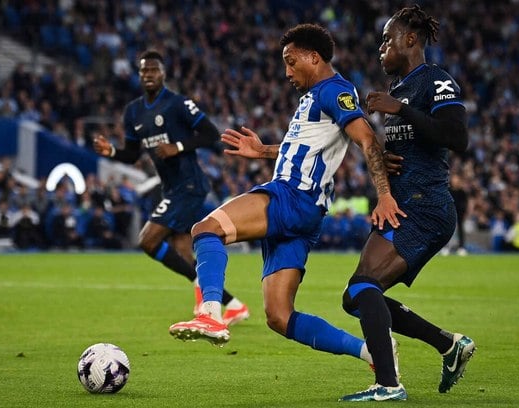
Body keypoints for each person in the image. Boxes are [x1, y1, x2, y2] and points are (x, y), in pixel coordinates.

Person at [169, 24, 404, 374]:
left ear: (313, 57)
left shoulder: (333, 90)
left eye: (292, 62)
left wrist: (383, 195)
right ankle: (372, 352)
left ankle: (211, 314)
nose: (287, 72)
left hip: (293, 195)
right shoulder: (315, 98)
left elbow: (367, 138)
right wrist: (262, 149)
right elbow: (304, 148)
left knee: (206, 229)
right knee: (279, 316)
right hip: (305, 212)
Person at [339, 5, 475, 402]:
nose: (381, 48)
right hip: (400, 205)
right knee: (356, 297)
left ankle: (388, 384)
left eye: (387, 39)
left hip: (427, 206)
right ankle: (449, 345)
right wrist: (385, 155)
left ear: (410, 40)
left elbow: (456, 136)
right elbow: (412, 146)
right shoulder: (395, 91)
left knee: (364, 286)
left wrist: (401, 110)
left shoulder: (435, 81)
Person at [93, 50, 249, 324]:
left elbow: (211, 133)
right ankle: (231, 305)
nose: (148, 75)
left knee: (148, 240)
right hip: (171, 189)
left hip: (189, 185)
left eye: (153, 70)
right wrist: (111, 152)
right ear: (139, 75)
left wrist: (177, 146)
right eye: (143, 70)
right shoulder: (134, 112)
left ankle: (209, 298)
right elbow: (131, 155)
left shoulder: (177, 104)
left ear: (163, 74)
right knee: (182, 252)